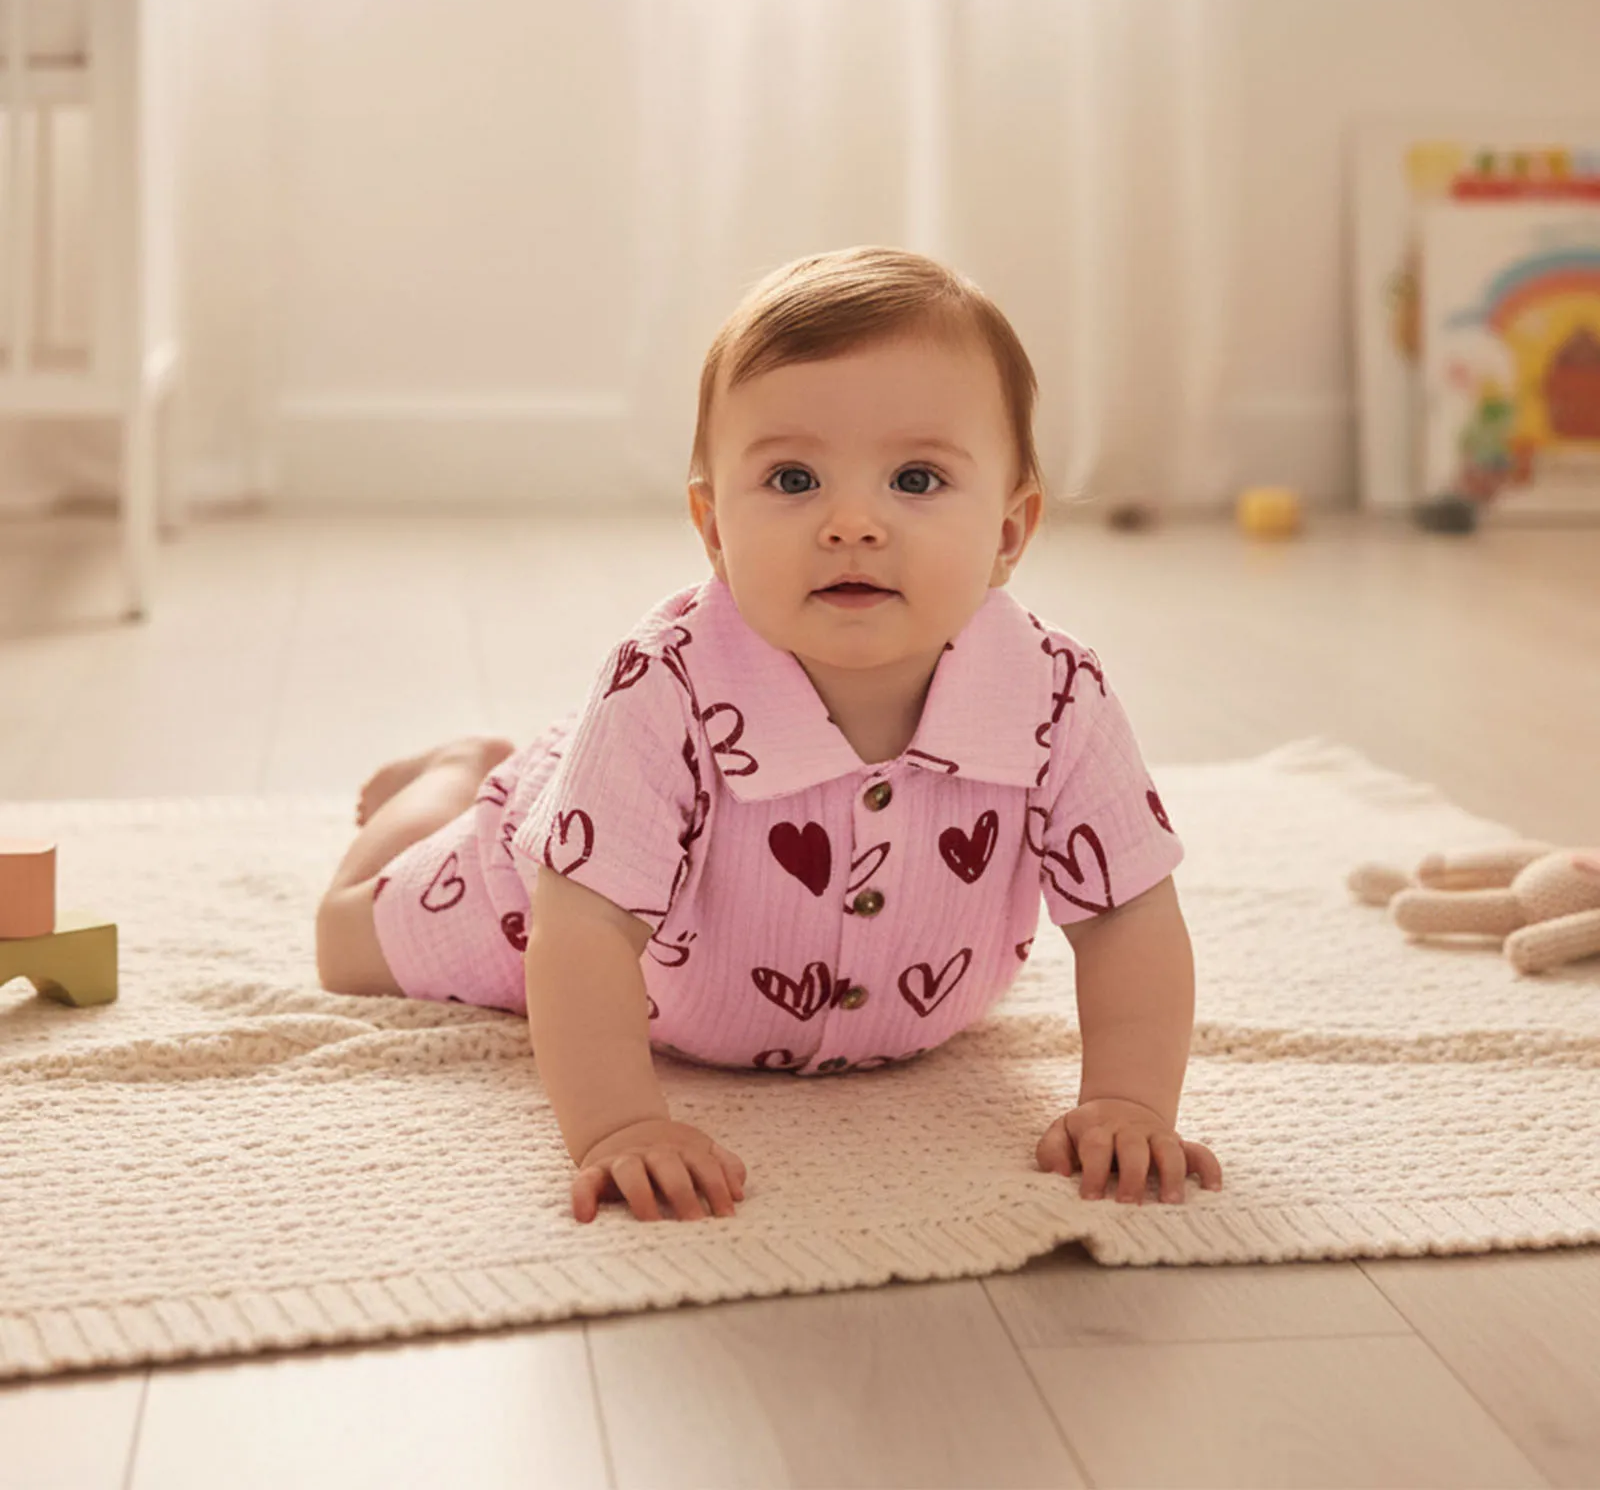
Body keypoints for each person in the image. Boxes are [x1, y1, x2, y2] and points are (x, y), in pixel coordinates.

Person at [314, 245, 1224, 1225]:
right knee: (342, 944)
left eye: (915, 479)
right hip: (555, 879)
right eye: (792, 478)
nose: (851, 522)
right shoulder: (663, 684)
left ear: (1008, 533)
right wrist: (618, 1125)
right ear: (712, 527)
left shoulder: (1054, 694)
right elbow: (582, 930)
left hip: (898, 995)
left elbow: (1126, 913)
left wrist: (1127, 1104)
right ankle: (459, 777)